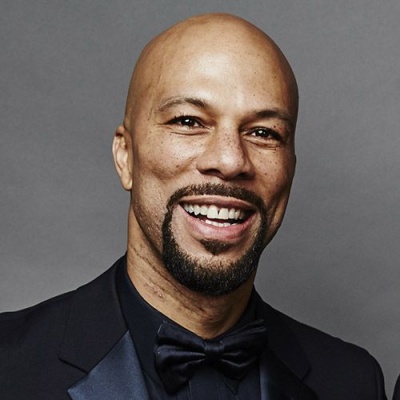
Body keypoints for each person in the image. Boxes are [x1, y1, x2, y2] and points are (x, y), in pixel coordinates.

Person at [0, 13, 386, 400]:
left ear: (291, 167)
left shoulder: (354, 382)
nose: (230, 160)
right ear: (126, 156)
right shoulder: (9, 365)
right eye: (188, 121)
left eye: (263, 132)